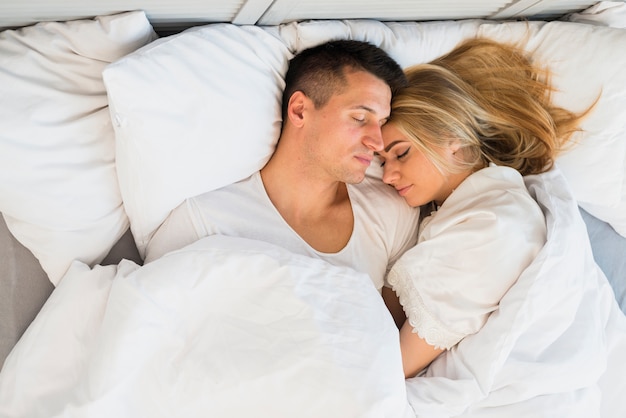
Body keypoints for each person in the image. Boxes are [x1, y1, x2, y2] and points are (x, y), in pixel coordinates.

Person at [376, 38, 594, 378]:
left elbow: (393, 367)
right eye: (381, 161)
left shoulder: (493, 227)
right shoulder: (470, 206)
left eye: (401, 153)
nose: (387, 175)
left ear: (455, 141)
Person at [145, 39, 420, 292]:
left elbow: (392, 339)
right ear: (300, 110)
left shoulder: (390, 211)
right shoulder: (204, 221)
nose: (377, 141)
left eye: (382, 123)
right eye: (360, 118)